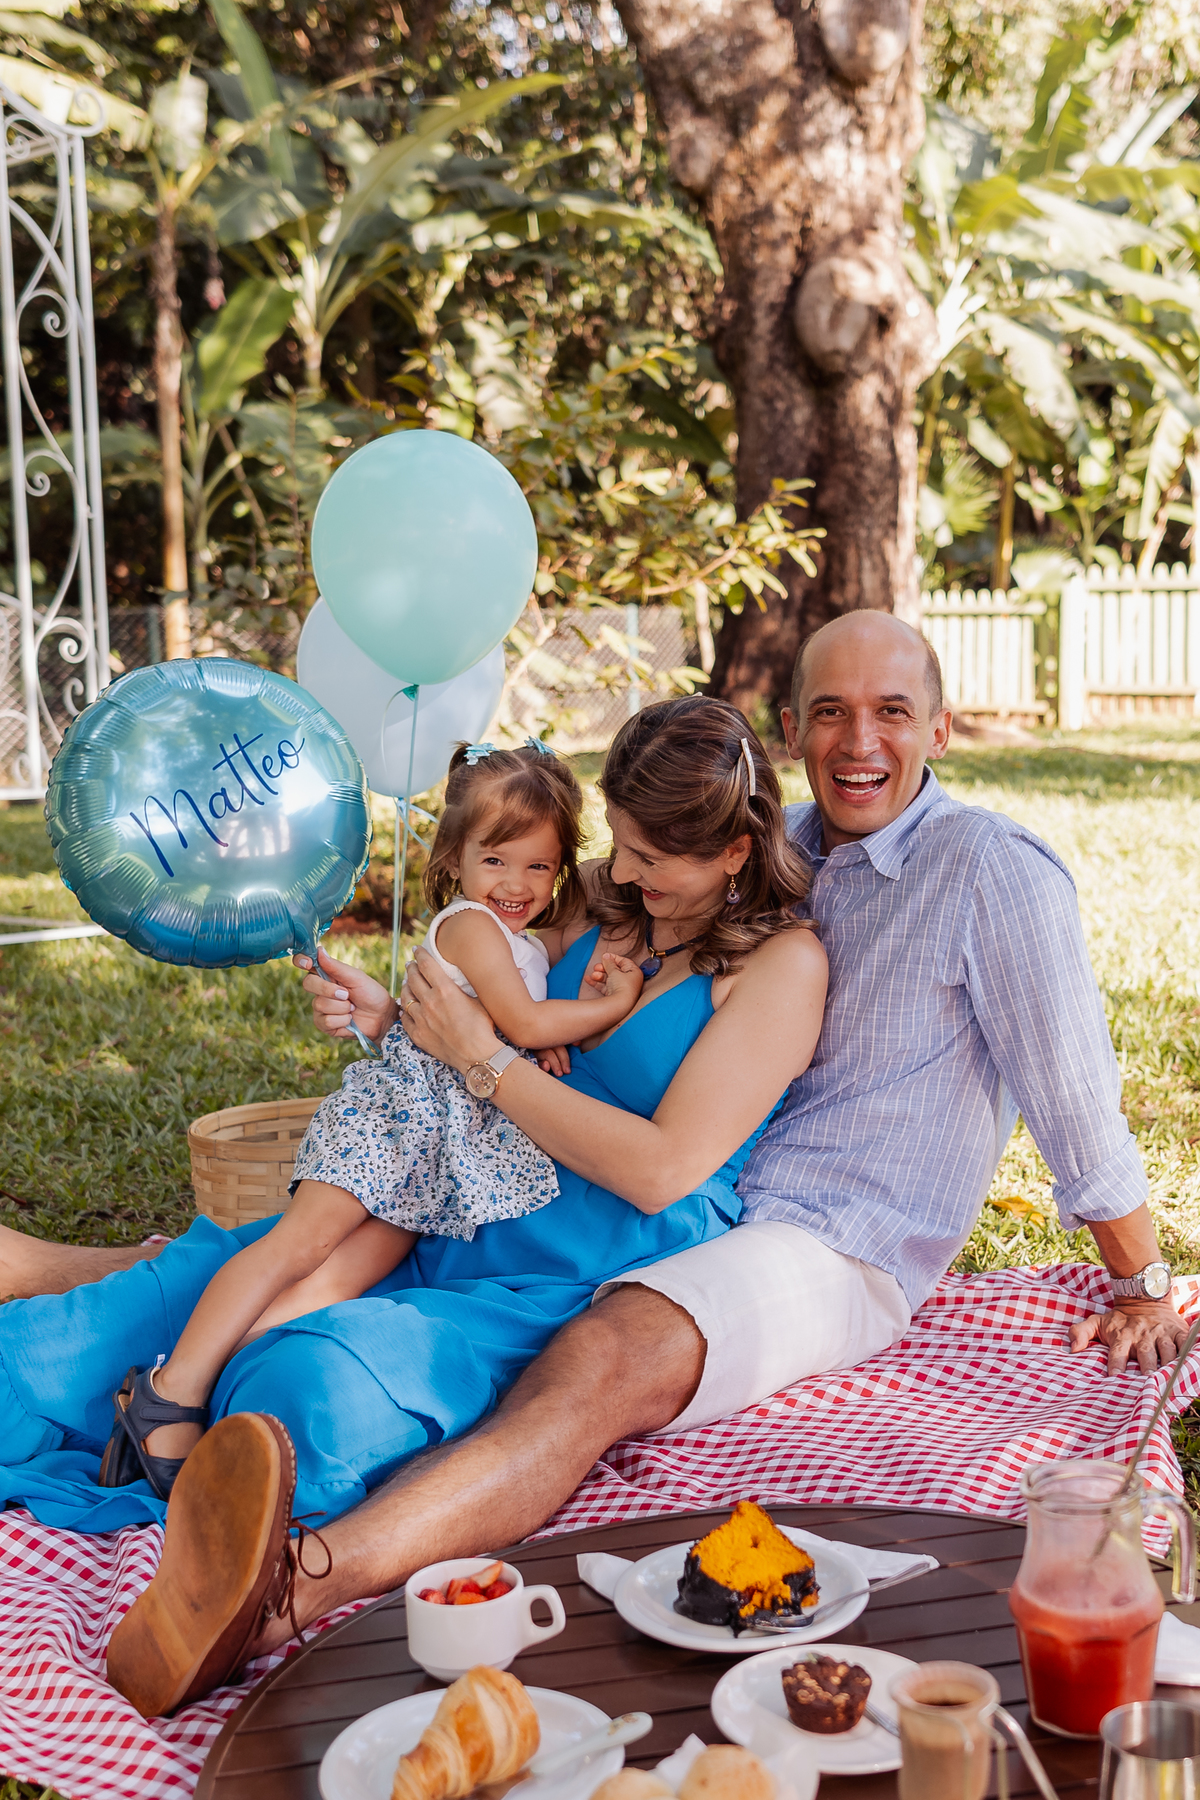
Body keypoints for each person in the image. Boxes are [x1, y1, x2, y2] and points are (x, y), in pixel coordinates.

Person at [85, 611, 1187, 1710]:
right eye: (834, 713)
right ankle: (167, 1373)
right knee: (278, 1261)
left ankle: (285, 1591)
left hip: (832, 1240)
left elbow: (1074, 1097)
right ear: (793, 728)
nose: (863, 741)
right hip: (702, 1201)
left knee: (599, 1359)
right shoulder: (778, 841)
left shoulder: (993, 872)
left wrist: (1139, 1280)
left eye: (893, 712)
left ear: (940, 724)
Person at [0, 696, 828, 1718]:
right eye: (620, 842)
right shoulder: (608, 901)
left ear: (741, 849)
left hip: (564, 1268)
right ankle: (138, 1396)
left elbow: (660, 1170)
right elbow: (487, 990)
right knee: (142, 1309)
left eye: (660, 856)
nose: (628, 871)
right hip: (449, 1191)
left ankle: (223, 1499)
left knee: (304, 1386)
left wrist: (477, 1062)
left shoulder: (781, 968)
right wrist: (395, 1015)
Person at [96, 739, 644, 1500]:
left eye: (539, 865)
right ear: (453, 857)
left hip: (438, 1143)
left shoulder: (519, 938)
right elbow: (518, 1016)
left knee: (352, 1271)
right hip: (395, 1120)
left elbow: (503, 1023)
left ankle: (233, 1402)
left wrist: (538, 1034)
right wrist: (602, 1010)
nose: (517, 883)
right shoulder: (471, 928)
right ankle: (167, 1390)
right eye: (496, 860)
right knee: (299, 1245)